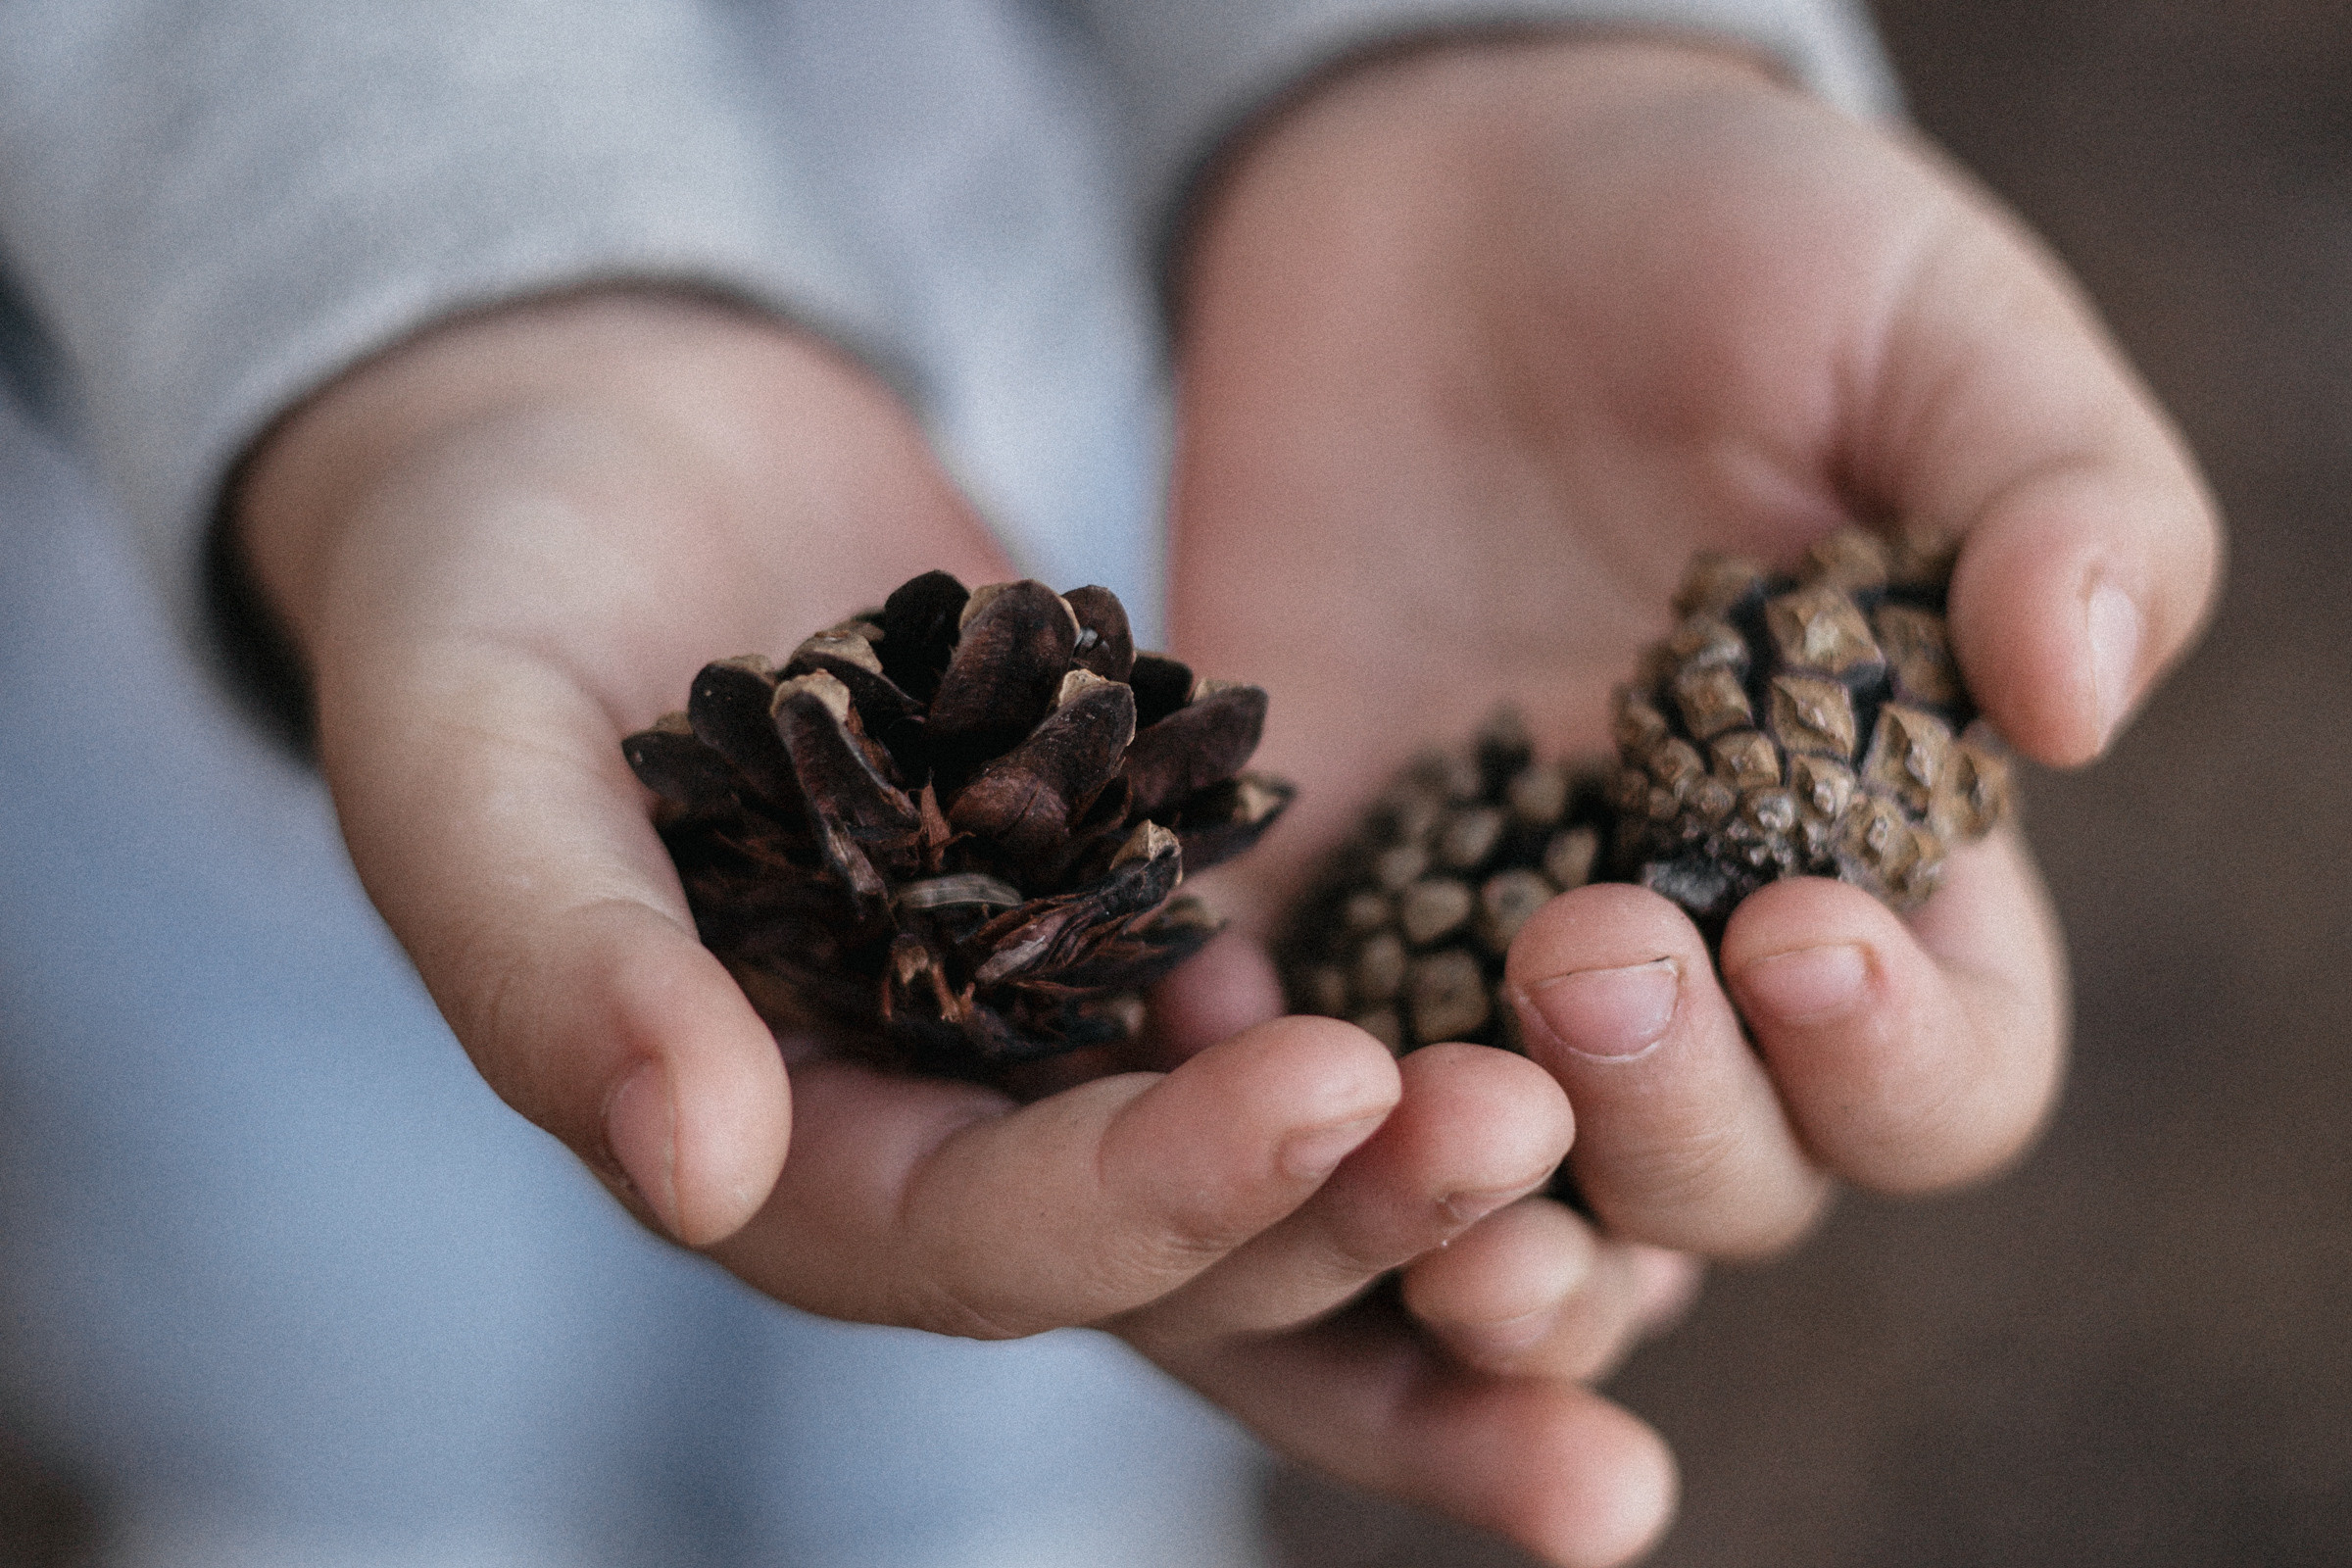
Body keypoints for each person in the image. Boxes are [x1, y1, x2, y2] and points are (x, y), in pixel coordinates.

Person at [0, 3, 2219, 1565]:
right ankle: (349, 1496)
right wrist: (425, 312)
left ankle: (982, 1511)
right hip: (167, 520)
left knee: (1073, 1217)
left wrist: (1492, 46)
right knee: (309, 1272)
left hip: (1167, 385)